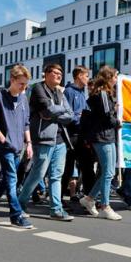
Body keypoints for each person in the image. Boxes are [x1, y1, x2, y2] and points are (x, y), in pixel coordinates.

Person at [18, 64, 74, 221]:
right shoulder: (38, 89)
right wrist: (58, 111)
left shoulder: (60, 93)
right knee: (38, 173)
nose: (58, 76)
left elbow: (70, 116)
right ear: (46, 75)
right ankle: (20, 202)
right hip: (43, 138)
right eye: (55, 73)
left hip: (61, 139)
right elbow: (47, 110)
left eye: (60, 74)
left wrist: (55, 112)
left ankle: (56, 209)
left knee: (57, 175)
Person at [0, 65, 34, 229]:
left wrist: (29, 144)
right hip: (5, 147)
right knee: (12, 180)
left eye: (25, 84)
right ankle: (16, 215)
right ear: (12, 80)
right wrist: (3, 140)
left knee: (6, 181)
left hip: (20, 146)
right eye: (20, 84)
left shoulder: (23, 99)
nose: (23, 87)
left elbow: (26, 123)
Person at [79, 66, 122, 220]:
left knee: (107, 172)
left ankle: (89, 199)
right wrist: (118, 122)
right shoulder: (103, 94)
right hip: (102, 137)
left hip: (105, 136)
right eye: (115, 76)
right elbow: (106, 117)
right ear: (109, 78)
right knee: (108, 172)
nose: (117, 79)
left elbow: (105, 114)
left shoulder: (103, 94)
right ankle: (105, 206)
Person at [62, 65, 91, 203]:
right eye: (86, 76)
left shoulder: (82, 92)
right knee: (67, 168)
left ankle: (88, 199)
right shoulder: (69, 91)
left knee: (87, 167)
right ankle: (60, 199)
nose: (88, 78)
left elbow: (83, 111)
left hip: (82, 135)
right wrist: (80, 118)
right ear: (79, 75)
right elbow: (67, 114)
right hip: (71, 136)